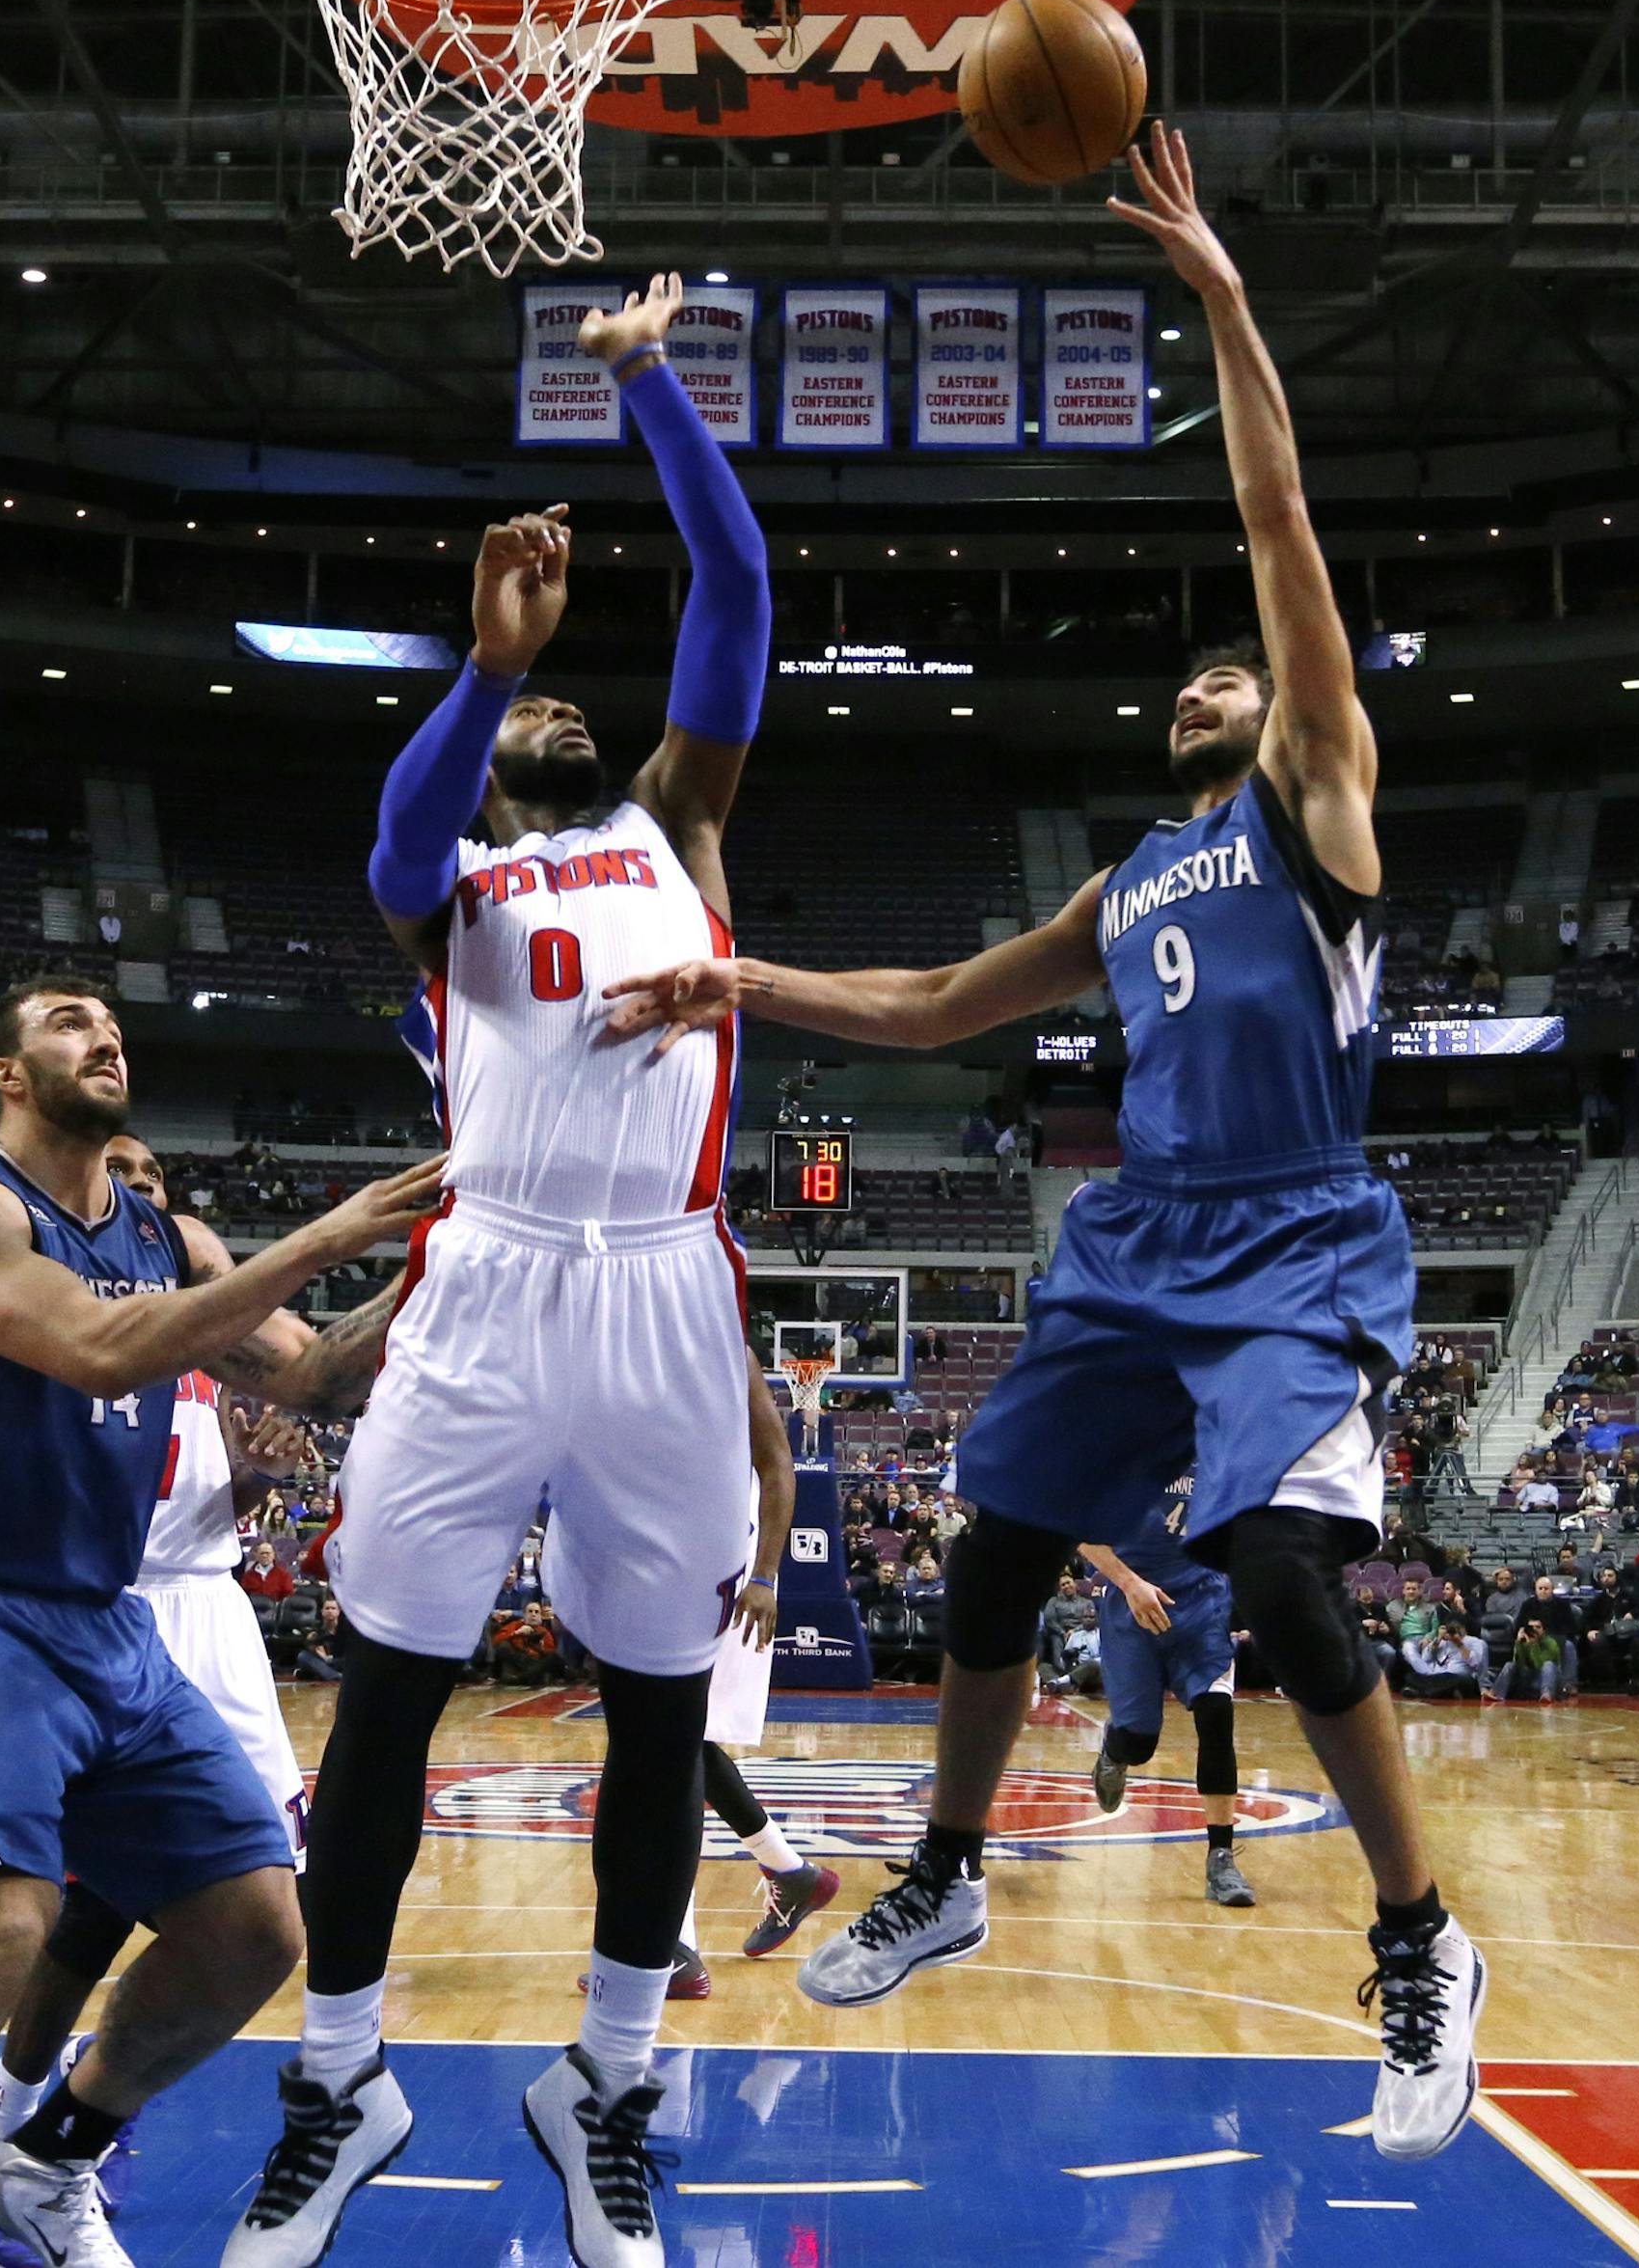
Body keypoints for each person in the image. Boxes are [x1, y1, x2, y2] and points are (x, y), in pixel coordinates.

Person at [604, 129, 1481, 2165]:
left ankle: (1422, 1938)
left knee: (1275, 1569)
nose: (1206, 678)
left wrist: (1228, 304)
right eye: (1187, 677)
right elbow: (927, 1007)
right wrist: (747, 982)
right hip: (1135, 1243)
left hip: (1296, 1243)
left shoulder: (1315, 806)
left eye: (1231, 674)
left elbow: (1273, 524)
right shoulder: (1134, 881)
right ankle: (949, 1864)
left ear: (1280, 716)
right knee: (993, 1550)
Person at [232, 277, 772, 2268]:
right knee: (387, 1700)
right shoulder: (447, 878)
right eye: (517, 724)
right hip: (486, 1289)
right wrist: (480, 664)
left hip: (662, 1293)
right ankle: (340, 2076)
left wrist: (644, 384)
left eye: (560, 701)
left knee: (653, 1716)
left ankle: (606, 2084)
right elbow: (386, 834)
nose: (555, 714)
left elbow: (733, 582)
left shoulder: (682, 821)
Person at [0, 974, 441, 2268]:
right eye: (66, 1019)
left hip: (109, 1622)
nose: (103, 1032)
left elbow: (316, 1370)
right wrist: (330, 1233)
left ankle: (47, 2158)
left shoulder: (162, 1238)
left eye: (112, 1021)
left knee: (257, 1928)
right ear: (4, 1071)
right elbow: (105, 1349)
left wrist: (461, 1261)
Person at [0, 1126, 407, 2257]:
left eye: (156, 1179)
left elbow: (277, 1442)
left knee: (252, 1897)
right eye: (124, 1177)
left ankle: (59, 2141)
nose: (142, 1193)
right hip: (101, 1607)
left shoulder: (210, 1347)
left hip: (208, 1615)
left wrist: (254, 1474)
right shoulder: (63, 1317)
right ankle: (16, 2138)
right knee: (77, 1912)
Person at [687, 1357, 840, 1978]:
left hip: (723, 1572)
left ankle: (672, 1944)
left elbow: (778, 1461)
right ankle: (787, 1870)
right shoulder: (627, 1331)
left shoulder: (727, 1349)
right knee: (676, 1745)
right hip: (672, 1563)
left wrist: (767, 1576)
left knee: (663, 1750)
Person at [1081, 1483, 1256, 1907]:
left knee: (1217, 1716)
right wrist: (1127, 1582)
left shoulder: (1220, 1440)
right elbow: (1080, 1532)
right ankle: (1115, 1750)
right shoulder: (1123, 1445)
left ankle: (1221, 1857)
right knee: (1139, 1741)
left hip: (1203, 1601)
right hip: (1132, 1600)